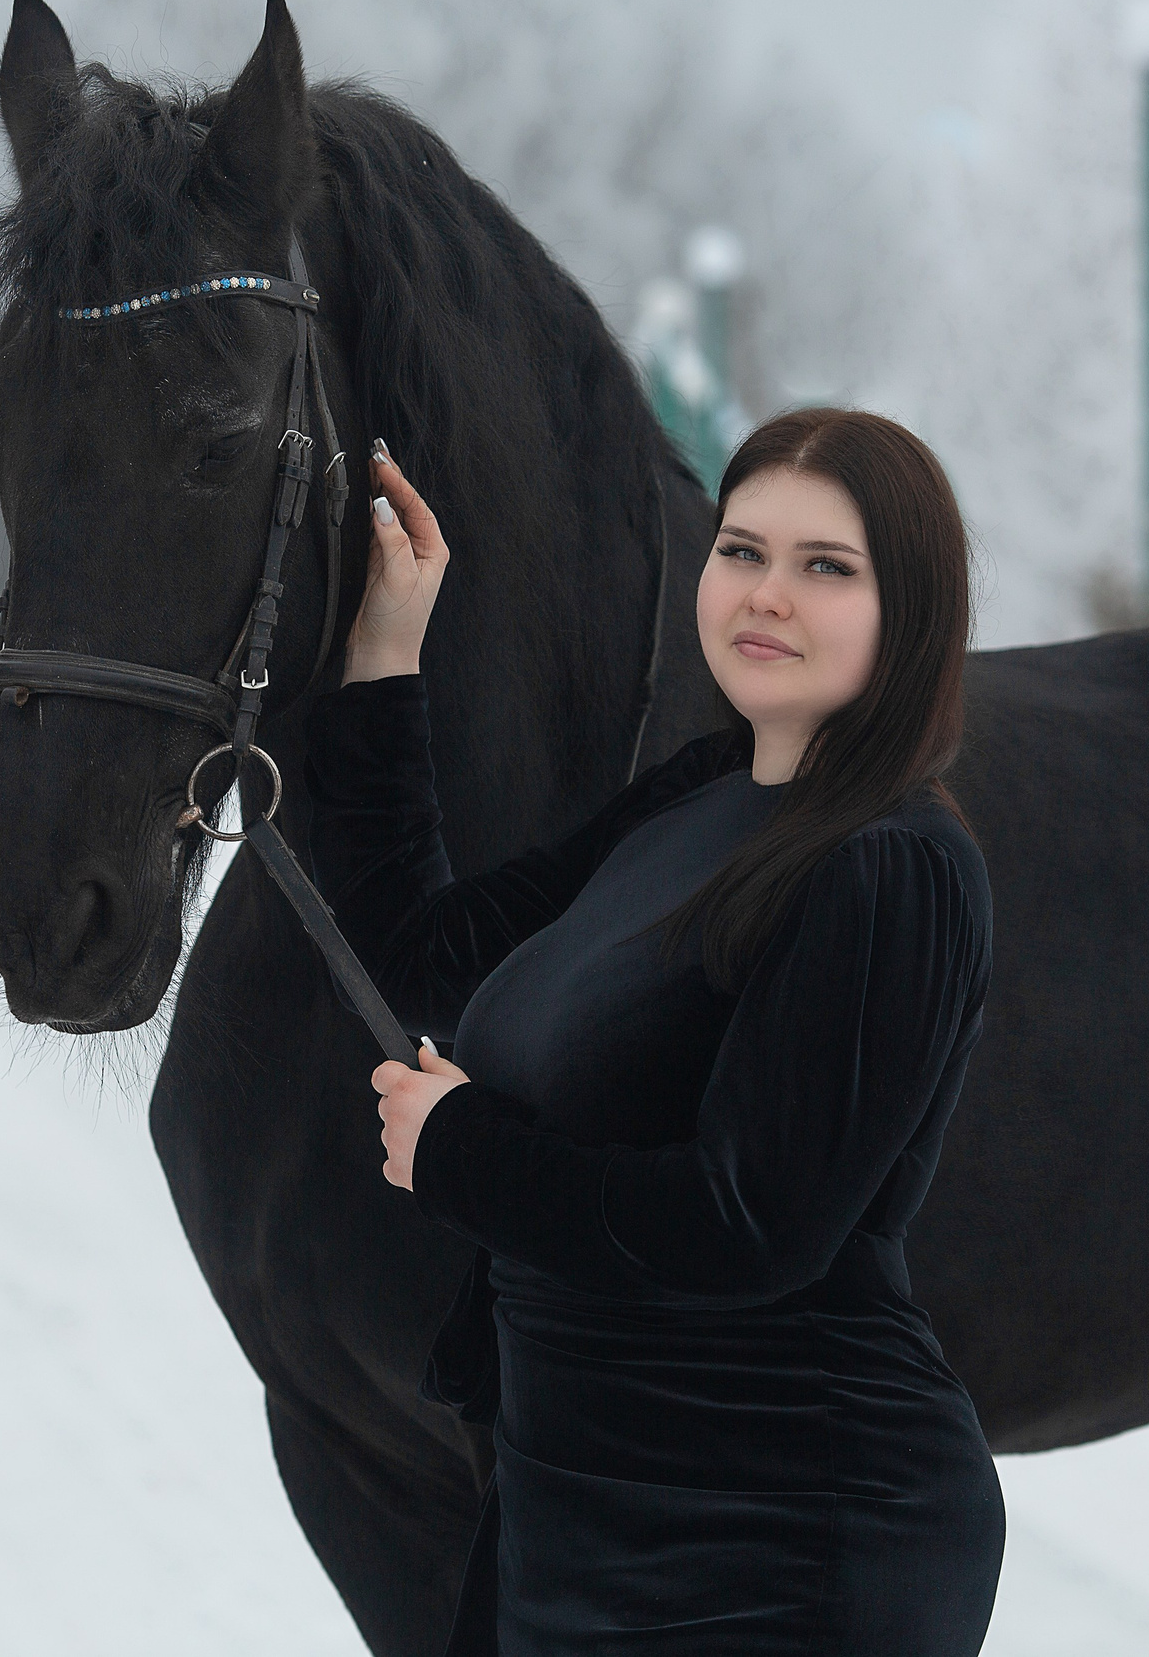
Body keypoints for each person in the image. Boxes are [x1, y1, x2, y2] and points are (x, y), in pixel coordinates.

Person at [307, 408, 1004, 1654]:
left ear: (911, 612)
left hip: (782, 1534)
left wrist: (461, 1151)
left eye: (825, 566)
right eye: (741, 551)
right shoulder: (702, 795)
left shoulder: (891, 868)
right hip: (576, 1508)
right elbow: (422, 952)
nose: (767, 593)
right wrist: (385, 651)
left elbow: (747, 1226)